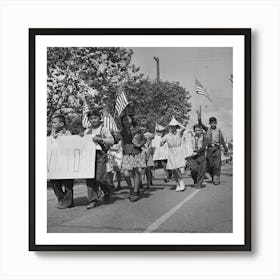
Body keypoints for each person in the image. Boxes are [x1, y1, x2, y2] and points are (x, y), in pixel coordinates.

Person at [82, 109, 114, 209]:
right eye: (91, 118)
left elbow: (111, 141)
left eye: (95, 118)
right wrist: (81, 137)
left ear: (99, 118)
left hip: (100, 155)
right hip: (88, 156)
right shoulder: (87, 131)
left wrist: (100, 139)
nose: (93, 120)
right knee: (90, 178)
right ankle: (93, 200)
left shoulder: (103, 129)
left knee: (100, 177)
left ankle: (107, 190)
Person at [49, 115, 74, 209]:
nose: (53, 124)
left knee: (68, 183)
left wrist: (59, 137)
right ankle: (61, 198)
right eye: (52, 122)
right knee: (54, 182)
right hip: (55, 162)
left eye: (55, 122)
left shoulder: (67, 133)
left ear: (62, 123)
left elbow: (69, 142)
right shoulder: (52, 133)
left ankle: (68, 202)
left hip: (66, 161)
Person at [120, 114, 146, 202]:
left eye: (128, 119)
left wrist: (139, 144)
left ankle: (134, 192)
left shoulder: (137, 130)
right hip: (126, 153)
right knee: (126, 173)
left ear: (132, 120)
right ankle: (131, 188)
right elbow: (118, 141)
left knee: (136, 172)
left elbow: (144, 139)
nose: (126, 121)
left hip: (136, 153)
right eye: (124, 120)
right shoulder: (121, 131)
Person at [199, 116, 228, 185]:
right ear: (209, 123)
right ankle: (213, 176)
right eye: (212, 123)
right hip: (210, 149)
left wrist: (226, 149)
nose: (213, 124)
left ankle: (216, 179)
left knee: (217, 165)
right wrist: (199, 119)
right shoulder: (207, 129)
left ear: (216, 123)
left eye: (214, 123)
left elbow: (222, 140)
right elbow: (201, 125)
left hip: (217, 149)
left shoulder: (219, 131)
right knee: (210, 165)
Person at [161, 117, 186, 192]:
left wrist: (177, 122)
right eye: (171, 126)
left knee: (177, 168)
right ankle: (177, 183)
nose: (173, 128)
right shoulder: (167, 135)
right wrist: (162, 142)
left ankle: (181, 182)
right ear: (169, 127)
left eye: (174, 126)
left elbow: (183, 127)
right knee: (174, 169)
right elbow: (161, 143)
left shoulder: (179, 132)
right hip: (171, 152)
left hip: (178, 151)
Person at [188, 124, 207, 189]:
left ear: (201, 130)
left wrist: (197, 152)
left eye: (199, 130)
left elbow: (204, 147)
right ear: (194, 131)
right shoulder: (191, 137)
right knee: (194, 170)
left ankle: (199, 184)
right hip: (193, 156)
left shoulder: (204, 137)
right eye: (196, 131)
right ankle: (195, 181)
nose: (198, 132)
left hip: (201, 155)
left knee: (201, 170)